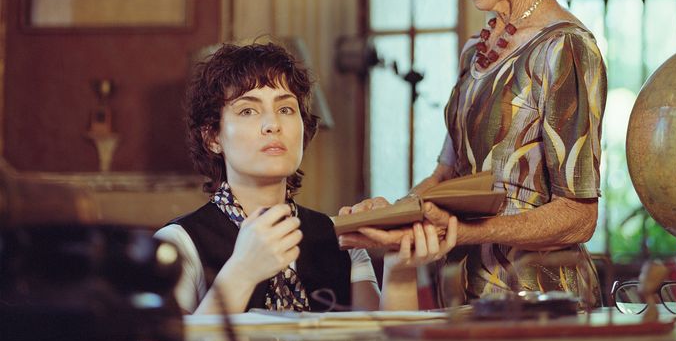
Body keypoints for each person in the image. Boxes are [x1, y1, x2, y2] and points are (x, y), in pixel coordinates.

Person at [340, 0, 607, 307]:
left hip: (543, 306)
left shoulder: (565, 49)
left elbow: (578, 217)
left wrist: (465, 231)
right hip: (467, 298)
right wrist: (394, 215)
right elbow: (447, 174)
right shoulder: (476, 52)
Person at [154, 41, 456, 314]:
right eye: (248, 111)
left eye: (286, 108)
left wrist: (399, 270)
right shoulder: (177, 245)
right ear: (212, 137)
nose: (272, 124)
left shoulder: (341, 240)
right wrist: (241, 273)